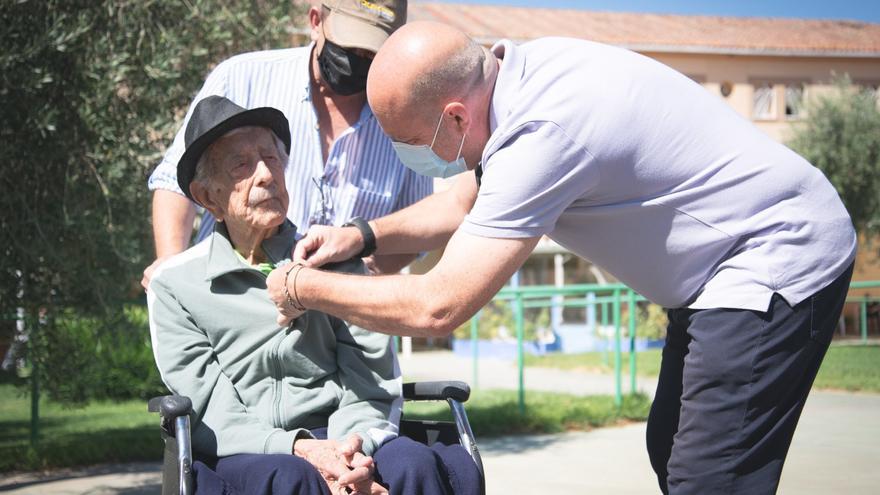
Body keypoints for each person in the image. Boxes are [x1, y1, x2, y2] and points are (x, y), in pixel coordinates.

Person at [265, 22, 857, 494]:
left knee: (710, 477)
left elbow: (437, 305)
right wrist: (362, 235)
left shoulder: (542, 132)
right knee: (671, 447)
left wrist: (299, 287)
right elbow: (464, 204)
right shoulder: (518, 75)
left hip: (772, 257)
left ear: (454, 116)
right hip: (718, 273)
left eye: (413, 144)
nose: (414, 158)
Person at [147, 95, 480, 495]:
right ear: (207, 197)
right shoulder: (176, 286)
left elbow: (370, 381)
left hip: (344, 433)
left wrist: (348, 453)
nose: (267, 174)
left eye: (271, 159)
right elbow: (211, 410)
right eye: (241, 164)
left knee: (414, 465)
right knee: (291, 478)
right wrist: (298, 448)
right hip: (246, 449)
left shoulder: (334, 264)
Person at [142, 0, 430, 289]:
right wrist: (171, 266)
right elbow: (174, 181)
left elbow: (422, 228)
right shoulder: (242, 79)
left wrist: (362, 276)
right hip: (229, 298)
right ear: (316, 22)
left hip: (340, 318)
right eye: (349, 46)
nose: (358, 60)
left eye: (372, 53)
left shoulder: (406, 120)